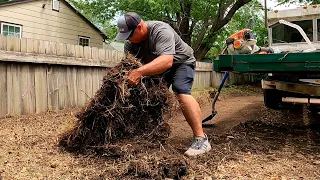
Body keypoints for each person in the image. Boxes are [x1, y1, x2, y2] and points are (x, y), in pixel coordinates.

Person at [115, 12, 211, 157]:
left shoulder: (160, 30)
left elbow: (166, 61)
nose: (128, 39)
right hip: (157, 67)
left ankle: (201, 139)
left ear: (140, 27)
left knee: (181, 90)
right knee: (150, 95)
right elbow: (131, 67)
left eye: (129, 35)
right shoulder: (130, 45)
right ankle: (153, 133)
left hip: (181, 63)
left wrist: (139, 73)